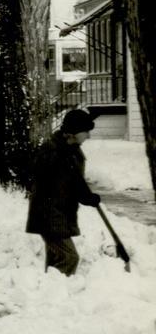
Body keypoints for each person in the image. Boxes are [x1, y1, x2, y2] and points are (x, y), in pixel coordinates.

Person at [26, 108, 101, 275]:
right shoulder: (53, 150)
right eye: (86, 131)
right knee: (69, 258)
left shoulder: (72, 149)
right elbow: (43, 178)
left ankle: (51, 293)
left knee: (55, 260)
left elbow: (75, 182)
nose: (88, 136)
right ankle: (60, 294)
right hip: (49, 215)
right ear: (74, 131)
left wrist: (88, 197)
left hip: (60, 213)